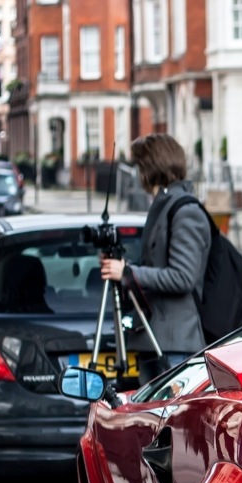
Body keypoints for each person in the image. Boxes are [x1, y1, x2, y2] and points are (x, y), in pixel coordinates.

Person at [100, 133, 211, 383]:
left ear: (151, 167)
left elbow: (183, 277)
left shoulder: (185, 212)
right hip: (153, 338)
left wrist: (128, 272)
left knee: (170, 420)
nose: (137, 174)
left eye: (139, 166)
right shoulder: (163, 206)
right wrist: (123, 271)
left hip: (176, 344)